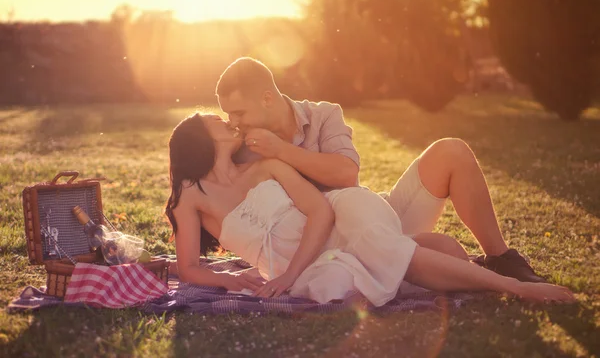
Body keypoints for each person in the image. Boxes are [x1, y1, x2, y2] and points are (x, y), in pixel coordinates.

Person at [164, 113, 574, 306]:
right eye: (217, 119)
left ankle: (517, 288)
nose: (229, 121)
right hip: (311, 263)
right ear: (199, 138)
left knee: (385, 246)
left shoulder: (266, 165)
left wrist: (287, 274)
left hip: (334, 226)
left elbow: (321, 212)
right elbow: (188, 268)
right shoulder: (190, 196)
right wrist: (234, 282)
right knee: (446, 250)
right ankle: (475, 273)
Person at [215, 57, 546, 283]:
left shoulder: (323, 115)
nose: (234, 122)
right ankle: (438, 262)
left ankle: (500, 258)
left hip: (375, 217)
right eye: (228, 115)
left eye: (239, 112)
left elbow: (347, 175)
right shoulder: (242, 150)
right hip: (340, 249)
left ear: (268, 98)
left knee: (451, 152)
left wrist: (282, 151)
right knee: (447, 252)